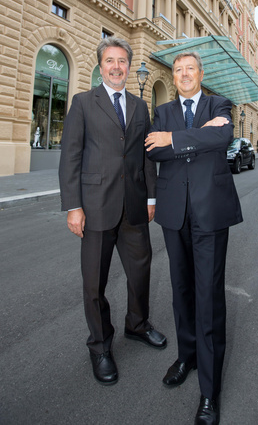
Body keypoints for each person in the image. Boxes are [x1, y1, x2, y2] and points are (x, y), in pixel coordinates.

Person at [59, 36, 166, 386]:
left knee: (140, 274)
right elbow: (70, 157)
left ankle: (137, 325)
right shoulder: (82, 103)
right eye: (110, 61)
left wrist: (151, 198)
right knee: (95, 283)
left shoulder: (140, 106)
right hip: (95, 209)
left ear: (129, 65)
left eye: (122, 61)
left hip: (134, 207)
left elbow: (147, 155)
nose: (117, 66)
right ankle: (100, 346)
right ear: (100, 65)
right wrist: (73, 206)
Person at [145, 51, 243, 424]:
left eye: (190, 69)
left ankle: (209, 390)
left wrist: (176, 139)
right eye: (179, 70)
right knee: (181, 289)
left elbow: (223, 136)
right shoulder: (163, 111)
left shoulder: (220, 103)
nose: (184, 74)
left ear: (201, 74)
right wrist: (194, 136)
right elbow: (155, 150)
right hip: (174, 213)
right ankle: (186, 355)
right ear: (174, 76)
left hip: (210, 213)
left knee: (209, 295)